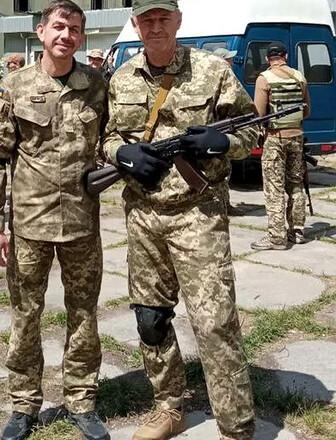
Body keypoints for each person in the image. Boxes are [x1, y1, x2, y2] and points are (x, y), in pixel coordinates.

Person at [101, 1, 257, 439]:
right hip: (143, 214)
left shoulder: (213, 71)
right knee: (150, 319)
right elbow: (108, 137)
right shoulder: (121, 77)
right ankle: (169, 407)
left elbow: (252, 129)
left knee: (214, 322)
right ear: (135, 24)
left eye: (163, 18)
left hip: (197, 212)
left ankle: (236, 426)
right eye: (146, 19)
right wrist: (122, 154)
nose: (155, 27)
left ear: (178, 21)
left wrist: (223, 143)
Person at [0, 2, 109, 439]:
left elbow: (111, 141)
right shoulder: (14, 86)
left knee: (84, 313)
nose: (66, 35)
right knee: (25, 315)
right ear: (40, 32)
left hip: (82, 222)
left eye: (75, 29)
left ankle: (81, 399)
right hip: (30, 223)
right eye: (58, 27)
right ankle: (23, 404)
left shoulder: (96, 86)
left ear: (82, 36)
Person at [250, 42, 311, 250]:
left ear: (268, 58)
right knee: (296, 183)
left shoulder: (265, 78)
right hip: (297, 136)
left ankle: (276, 237)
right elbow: (306, 111)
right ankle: (297, 231)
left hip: (275, 138)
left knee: (274, 187)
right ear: (285, 56)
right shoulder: (299, 77)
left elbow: (258, 113)